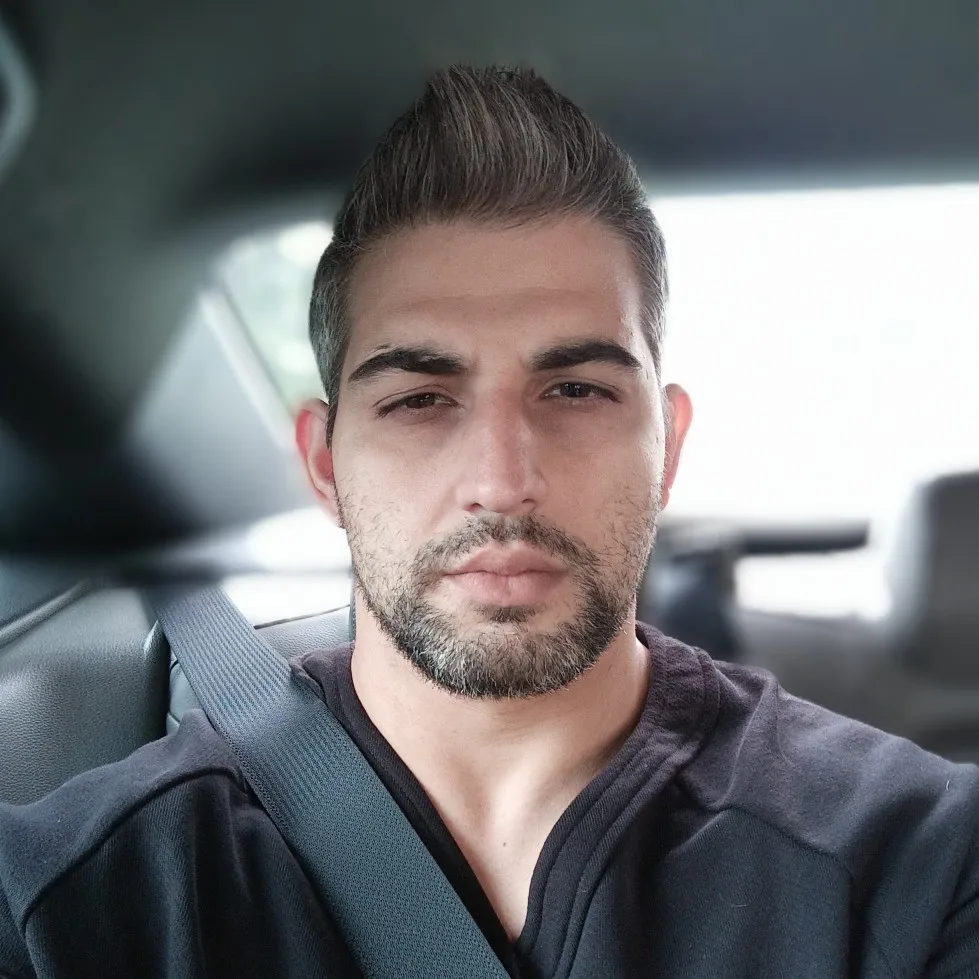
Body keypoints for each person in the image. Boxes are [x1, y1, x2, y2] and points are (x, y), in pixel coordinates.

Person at [1, 65, 977, 979]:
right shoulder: (77, 900)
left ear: (668, 446)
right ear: (324, 463)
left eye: (576, 389)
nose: (503, 481)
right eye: (420, 400)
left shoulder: (918, 865)